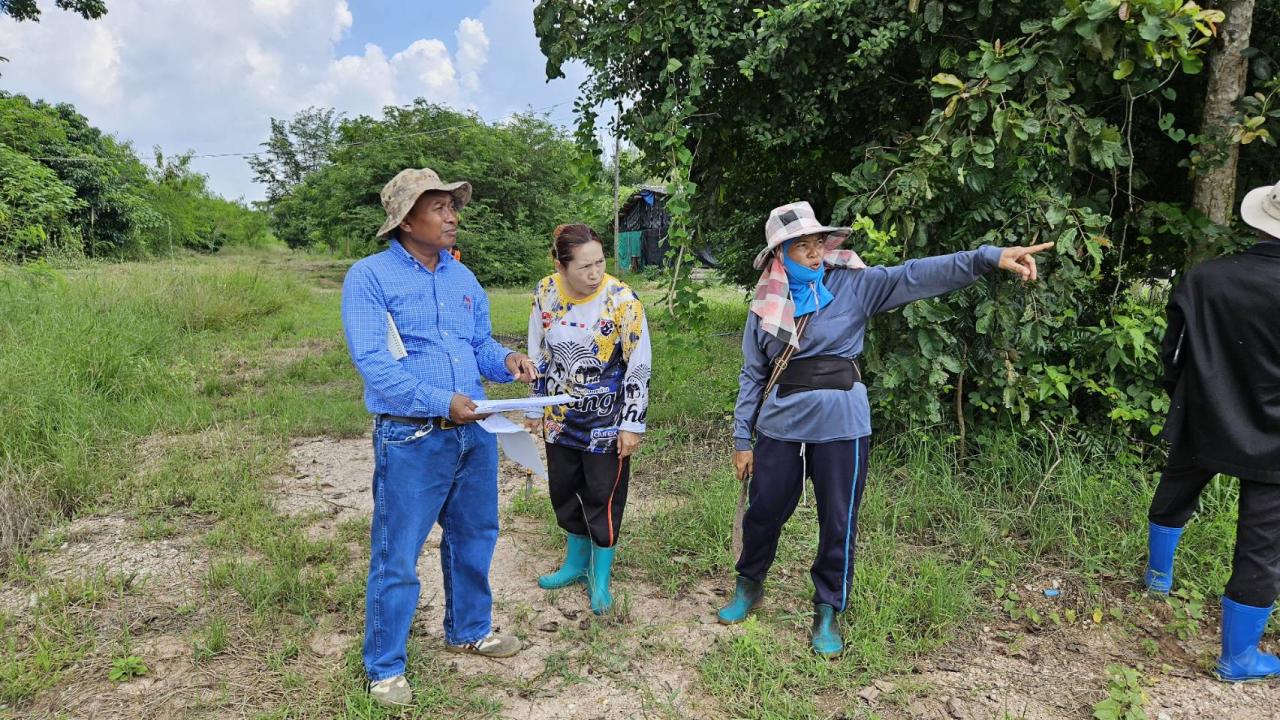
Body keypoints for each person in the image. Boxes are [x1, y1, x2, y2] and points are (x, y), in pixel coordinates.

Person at [718, 200, 1052, 656]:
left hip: (844, 424)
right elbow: (753, 374)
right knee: (765, 508)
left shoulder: (856, 284)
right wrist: (742, 438)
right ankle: (749, 584)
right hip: (781, 423)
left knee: (839, 519)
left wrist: (987, 256)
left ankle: (828, 609)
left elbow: (915, 275)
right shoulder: (765, 305)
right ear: (780, 254)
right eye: (802, 246)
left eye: (818, 242)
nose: (815, 252)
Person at [341, 167, 539, 708]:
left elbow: (477, 346)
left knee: (476, 534)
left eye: (454, 207)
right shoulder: (370, 279)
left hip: (473, 436)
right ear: (406, 220)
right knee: (397, 551)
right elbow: (376, 366)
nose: (453, 216)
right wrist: (440, 400)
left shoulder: (461, 278)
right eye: (439, 208)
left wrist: (508, 360)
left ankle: (470, 629)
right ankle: (384, 666)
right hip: (412, 438)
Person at [1143, 181, 1280, 682]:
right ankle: (1238, 657)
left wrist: (1192, 395)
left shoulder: (1206, 278)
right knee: (1262, 543)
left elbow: (1172, 353)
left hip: (1204, 413)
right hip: (1274, 437)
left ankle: (1158, 577)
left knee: (1176, 486)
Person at [523, 223, 652, 614]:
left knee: (603, 497)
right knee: (564, 490)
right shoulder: (546, 293)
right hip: (559, 418)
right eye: (584, 266)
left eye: (600, 263)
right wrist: (534, 407)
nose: (595, 273)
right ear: (560, 265)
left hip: (607, 422)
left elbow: (639, 365)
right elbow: (538, 351)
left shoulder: (622, 301)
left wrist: (631, 423)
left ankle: (600, 578)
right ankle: (575, 564)